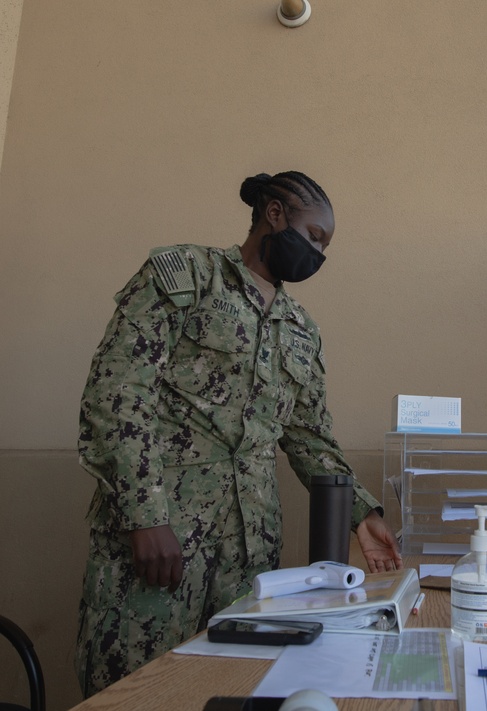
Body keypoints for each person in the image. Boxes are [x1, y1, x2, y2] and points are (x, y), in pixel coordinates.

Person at [75, 170, 403, 696]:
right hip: (163, 543)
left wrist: (361, 515)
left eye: (326, 246)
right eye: (314, 236)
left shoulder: (300, 328)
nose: (319, 254)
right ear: (275, 216)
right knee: (136, 688)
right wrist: (144, 517)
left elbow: (308, 436)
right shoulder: (185, 275)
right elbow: (118, 397)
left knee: (232, 687)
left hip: (249, 557)